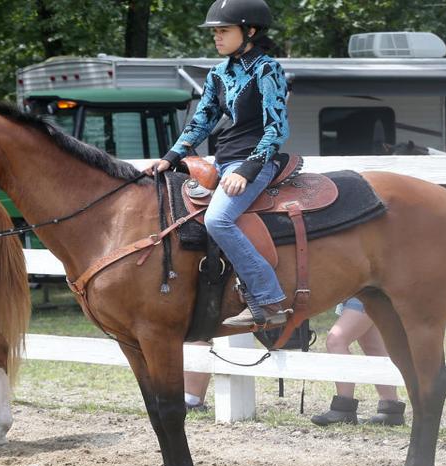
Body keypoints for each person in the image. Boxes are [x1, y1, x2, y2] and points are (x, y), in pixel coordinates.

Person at [144, 0, 291, 328]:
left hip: (256, 161)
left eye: (224, 30)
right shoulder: (219, 73)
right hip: (221, 162)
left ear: (249, 31)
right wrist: (170, 158)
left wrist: (248, 169)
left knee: (219, 220)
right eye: (215, 32)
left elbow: (276, 128)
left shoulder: (268, 70)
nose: (216, 37)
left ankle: (270, 301)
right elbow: (201, 122)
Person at [309, 300, 406, 426]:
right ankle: (391, 410)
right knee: (372, 345)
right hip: (359, 290)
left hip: (367, 290)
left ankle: (343, 409)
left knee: (336, 341)